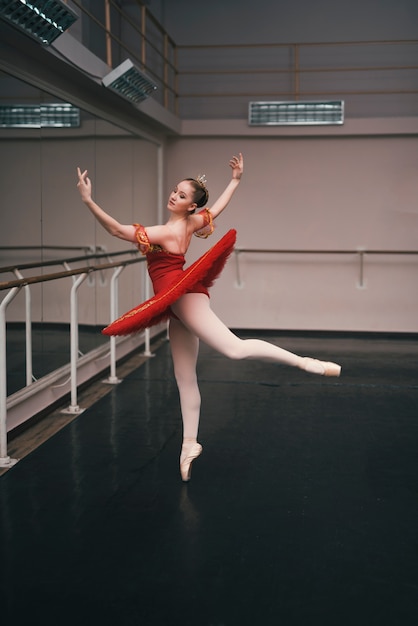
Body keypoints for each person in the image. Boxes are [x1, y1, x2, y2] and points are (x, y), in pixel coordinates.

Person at [76, 153, 341, 482]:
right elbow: (215, 210)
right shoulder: (190, 223)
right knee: (184, 377)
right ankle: (189, 445)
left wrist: (88, 200)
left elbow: (117, 230)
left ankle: (306, 363)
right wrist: (235, 181)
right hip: (176, 303)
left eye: (182, 195)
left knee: (234, 349)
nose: (174, 195)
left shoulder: (167, 232)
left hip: (184, 297)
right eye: (175, 190)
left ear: (189, 207)